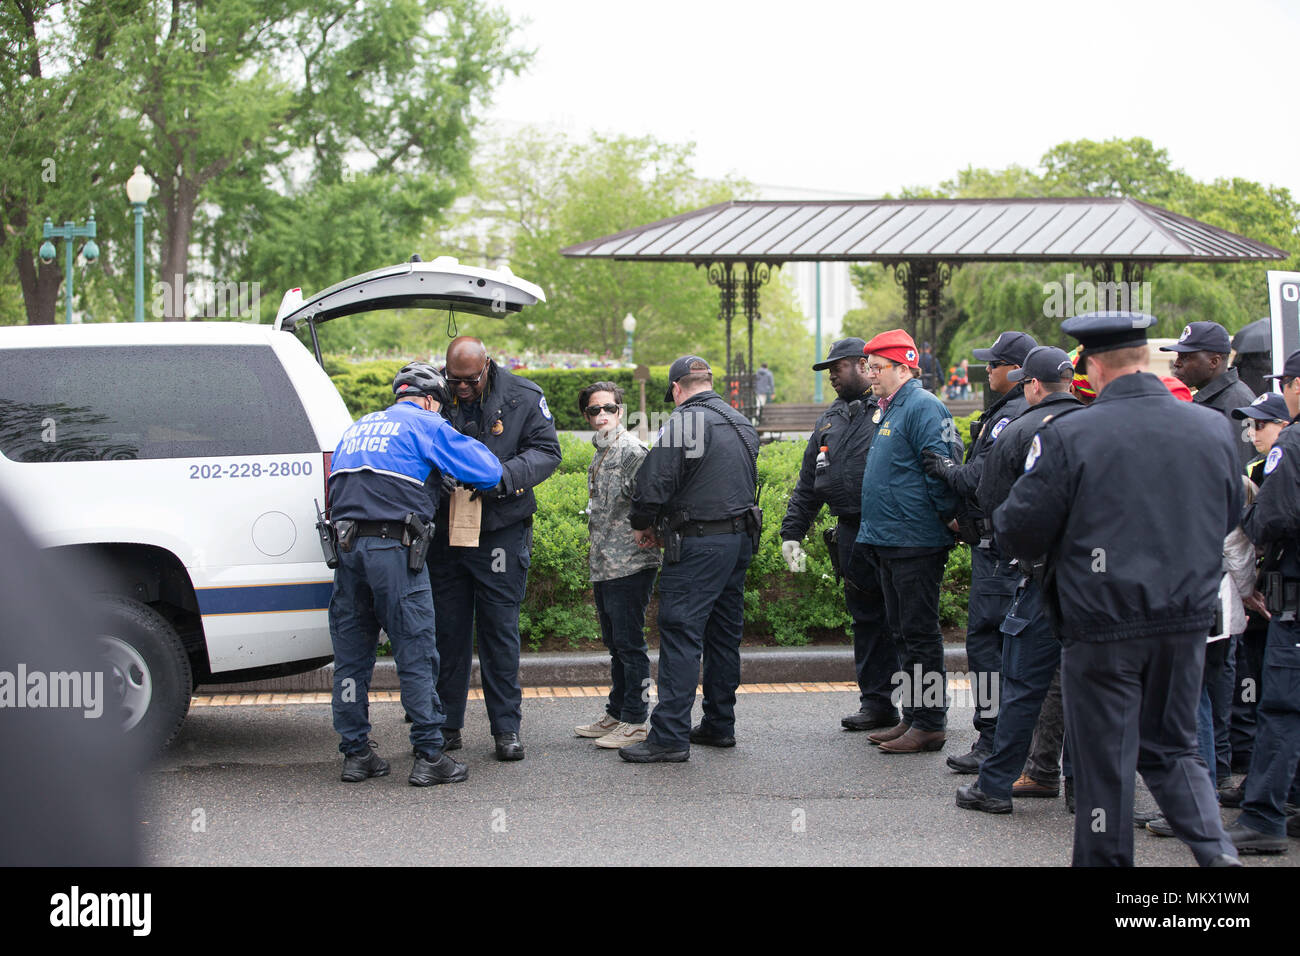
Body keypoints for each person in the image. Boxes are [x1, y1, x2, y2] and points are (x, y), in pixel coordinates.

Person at [994, 311, 1242, 867]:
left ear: (1092, 367)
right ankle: (1220, 863)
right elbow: (1228, 513)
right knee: (1176, 752)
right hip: (1184, 623)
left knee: (1105, 767)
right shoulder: (1210, 428)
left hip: (1101, 626)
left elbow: (1018, 528)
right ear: (1145, 363)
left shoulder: (1071, 435)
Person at [328, 363, 502, 786]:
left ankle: (355, 753)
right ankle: (429, 754)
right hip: (393, 551)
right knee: (417, 650)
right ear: (430, 400)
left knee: (351, 657)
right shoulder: (425, 423)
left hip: (347, 551)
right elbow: (488, 470)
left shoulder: (358, 427)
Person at [953, 346, 1080, 814]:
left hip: (1037, 578)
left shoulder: (1021, 429)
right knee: (1083, 686)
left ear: (1032, 385)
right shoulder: (1093, 425)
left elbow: (991, 502)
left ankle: (995, 785)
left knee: (1023, 683)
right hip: (1091, 583)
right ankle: (1081, 790)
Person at [619, 356, 759, 763]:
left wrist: (642, 523)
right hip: (737, 542)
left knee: (680, 632)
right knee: (723, 634)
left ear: (677, 389)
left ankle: (669, 737)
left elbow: (654, 483)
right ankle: (719, 723)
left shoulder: (684, 422)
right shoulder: (739, 421)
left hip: (698, 544)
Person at [430, 337, 562, 762]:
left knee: (499, 634)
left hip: (500, 530)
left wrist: (500, 477)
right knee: (447, 634)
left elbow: (546, 452)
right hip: (447, 534)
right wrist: (437, 479)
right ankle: (447, 727)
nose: (461, 388)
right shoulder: (434, 395)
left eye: (469, 381)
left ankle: (506, 729)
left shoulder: (524, 396)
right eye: (455, 380)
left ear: (487, 366)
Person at [923, 330, 1035, 772]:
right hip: (1002, 546)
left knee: (988, 646)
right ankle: (1010, 742)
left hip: (998, 551)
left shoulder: (1011, 417)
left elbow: (977, 480)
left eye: (994, 363)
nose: (986, 370)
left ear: (1017, 370)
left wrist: (943, 466)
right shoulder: (1015, 411)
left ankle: (993, 741)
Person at [851, 329, 963, 754]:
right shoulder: (892, 407)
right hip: (890, 539)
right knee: (900, 633)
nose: (871, 375)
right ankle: (913, 716)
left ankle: (930, 722)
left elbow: (940, 466)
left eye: (878, 368)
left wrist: (948, 517)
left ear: (904, 366)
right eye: (869, 367)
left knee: (919, 635)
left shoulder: (923, 406)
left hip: (915, 540)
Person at [781, 338, 898, 732]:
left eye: (838, 367)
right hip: (851, 530)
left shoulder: (891, 406)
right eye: (829, 369)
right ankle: (877, 703)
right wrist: (792, 533)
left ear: (865, 366)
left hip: (893, 529)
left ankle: (921, 713)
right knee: (866, 620)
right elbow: (808, 484)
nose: (831, 375)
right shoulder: (830, 419)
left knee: (904, 621)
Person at [1227, 349, 1300, 854]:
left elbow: (1274, 520)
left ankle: (1265, 817)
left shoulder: (1291, 444)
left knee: (1280, 709)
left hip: (1293, 601)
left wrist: (1245, 509)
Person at [573, 381, 662, 749]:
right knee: (615, 643)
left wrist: (647, 530)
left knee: (629, 644)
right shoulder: (601, 452)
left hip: (631, 563)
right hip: (605, 563)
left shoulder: (631, 450)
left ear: (621, 411)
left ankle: (637, 721)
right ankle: (618, 712)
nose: (602, 415)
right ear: (586, 416)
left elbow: (652, 499)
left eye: (609, 408)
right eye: (595, 410)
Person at [1162, 321, 1257, 469]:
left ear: (1214, 362)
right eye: (1178, 356)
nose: (1177, 363)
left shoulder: (1236, 402)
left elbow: (1240, 472)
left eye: (1185, 357)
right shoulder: (1207, 397)